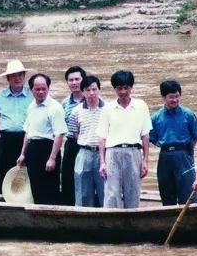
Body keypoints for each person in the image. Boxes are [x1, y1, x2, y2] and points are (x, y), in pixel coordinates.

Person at [96, 70, 151, 210]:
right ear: (114, 89)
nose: (123, 91)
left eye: (126, 87)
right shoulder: (108, 108)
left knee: (132, 191)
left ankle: (132, 224)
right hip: (112, 152)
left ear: (131, 88)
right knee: (112, 193)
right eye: (119, 88)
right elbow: (102, 137)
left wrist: (145, 160)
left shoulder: (141, 106)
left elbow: (145, 135)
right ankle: (112, 224)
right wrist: (102, 162)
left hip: (134, 152)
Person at [0, 59, 34, 194]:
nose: (17, 79)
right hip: (6, 138)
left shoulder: (32, 94)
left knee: (26, 170)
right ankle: (1, 197)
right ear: (8, 79)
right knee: (3, 170)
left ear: (24, 77)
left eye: (20, 75)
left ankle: (25, 196)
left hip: (26, 137)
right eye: (14, 76)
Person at [15, 73, 66, 205]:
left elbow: (59, 134)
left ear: (48, 88)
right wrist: (22, 153)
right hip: (33, 149)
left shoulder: (55, 107)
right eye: (37, 89)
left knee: (50, 188)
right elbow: (28, 132)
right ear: (31, 90)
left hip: (48, 149)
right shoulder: (31, 106)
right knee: (35, 186)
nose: (41, 92)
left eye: (44, 88)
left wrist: (52, 158)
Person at [149, 80, 197, 206]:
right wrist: (166, 146)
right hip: (165, 155)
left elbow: (195, 137)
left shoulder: (188, 115)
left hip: (184, 155)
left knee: (188, 192)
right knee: (166, 191)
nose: (175, 100)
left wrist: (186, 151)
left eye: (177, 96)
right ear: (163, 97)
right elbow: (152, 137)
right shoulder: (156, 117)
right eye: (171, 97)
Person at [66, 75, 106, 207]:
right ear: (83, 92)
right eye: (88, 90)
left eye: (94, 89)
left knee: (105, 191)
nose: (92, 93)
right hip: (84, 152)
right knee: (83, 192)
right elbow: (75, 133)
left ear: (99, 90)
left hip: (104, 154)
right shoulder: (76, 112)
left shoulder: (108, 109)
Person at [59, 65, 86, 205]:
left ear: (83, 80)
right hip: (70, 144)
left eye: (77, 79)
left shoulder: (92, 99)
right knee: (68, 177)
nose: (74, 83)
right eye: (71, 80)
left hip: (88, 145)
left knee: (86, 177)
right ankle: (69, 206)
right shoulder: (63, 104)